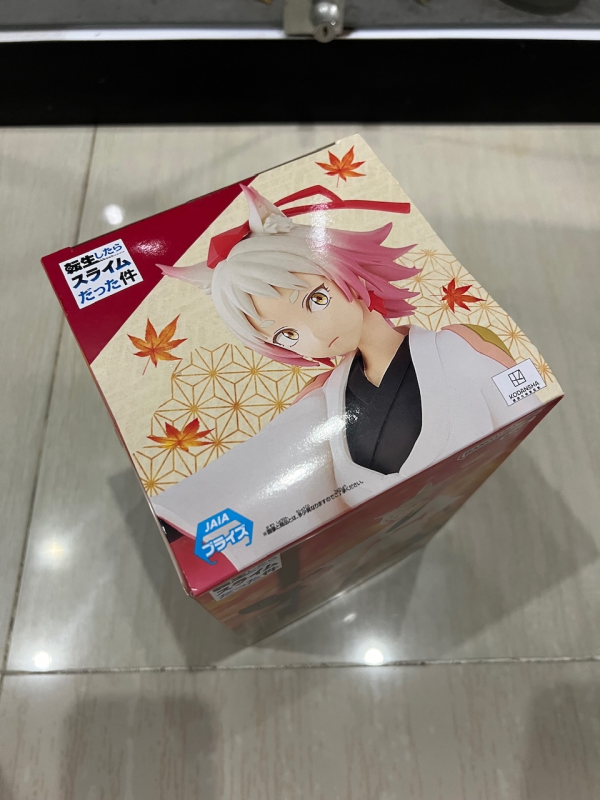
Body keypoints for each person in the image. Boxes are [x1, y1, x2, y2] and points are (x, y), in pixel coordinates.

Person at [152, 184, 539, 561]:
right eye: (286, 335)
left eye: (316, 299)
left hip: (474, 508)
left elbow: (523, 411)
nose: (317, 334)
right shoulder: (324, 400)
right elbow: (263, 465)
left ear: (343, 268)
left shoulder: (457, 346)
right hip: (375, 545)